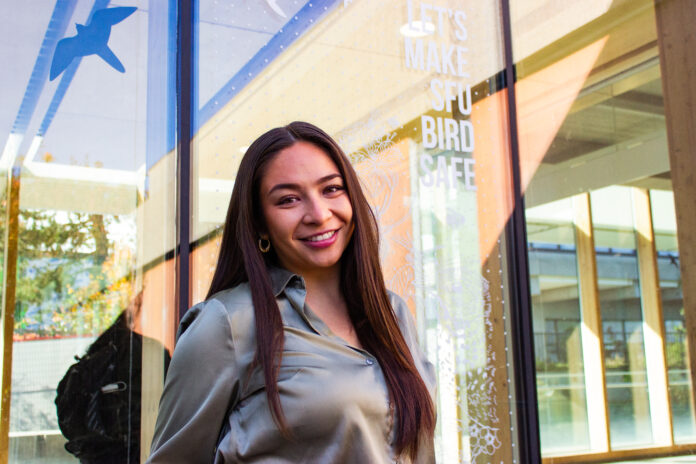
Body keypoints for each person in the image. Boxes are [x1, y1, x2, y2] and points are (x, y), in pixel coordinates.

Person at [147, 121, 436, 463]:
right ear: (259, 223)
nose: (318, 214)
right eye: (288, 200)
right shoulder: (226, 324)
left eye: (331, 189)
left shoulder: (392, 313)